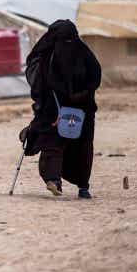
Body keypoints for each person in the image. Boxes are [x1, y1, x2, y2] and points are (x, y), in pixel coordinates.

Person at [22, 19, 101, 199]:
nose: (67, 45)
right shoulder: (48, 57)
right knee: (56, 143)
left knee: (78, 146)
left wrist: (78, 95)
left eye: (70, 39)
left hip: (79, 109)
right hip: (58, 109)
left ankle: (79, 185)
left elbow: (94, 79)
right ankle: (57, 181)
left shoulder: (56, 55)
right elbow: (39, 84)